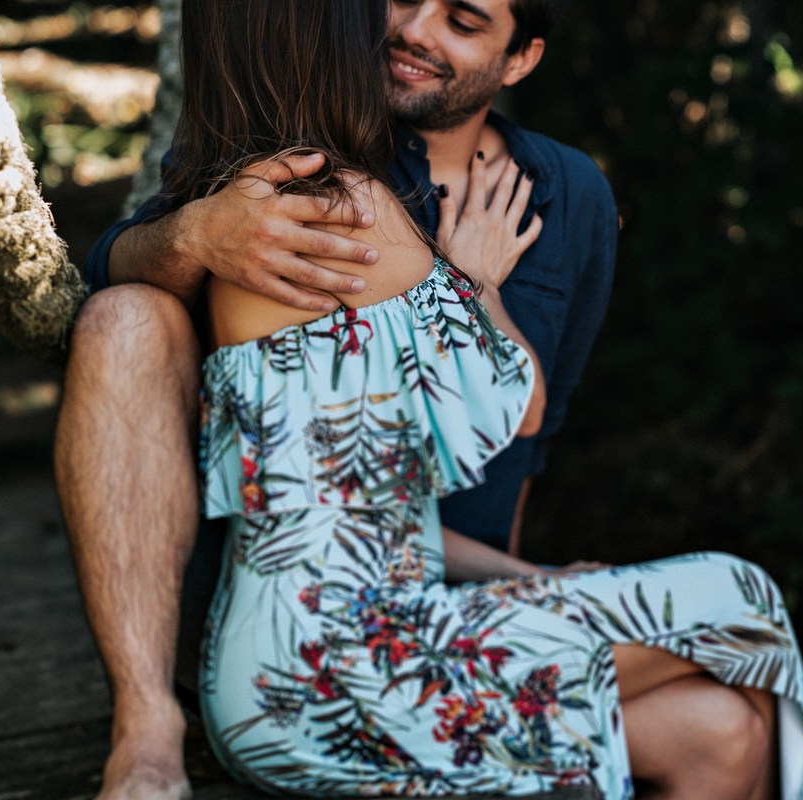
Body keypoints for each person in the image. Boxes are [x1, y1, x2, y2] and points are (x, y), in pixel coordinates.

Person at [169, 2, 803, 798]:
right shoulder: (348, 204)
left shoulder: (249, 204)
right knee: (741, 599)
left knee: (718, 729)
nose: (398, 29)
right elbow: (517, 407)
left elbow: (365, 519)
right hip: (340, 671)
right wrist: (477, 280)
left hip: (278, 679)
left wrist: (533, 579)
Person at [57, 1, 616, 798]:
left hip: (456, 591)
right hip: (284, 601)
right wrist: (194, 235)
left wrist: (521, 581)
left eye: (461, 21)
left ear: (520, 59)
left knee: (726, 718)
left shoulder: (570, 194)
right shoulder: (309, 148)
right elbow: (110, 269)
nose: (415, 28)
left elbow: (531, 433)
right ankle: (146, 729)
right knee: (123, 318)